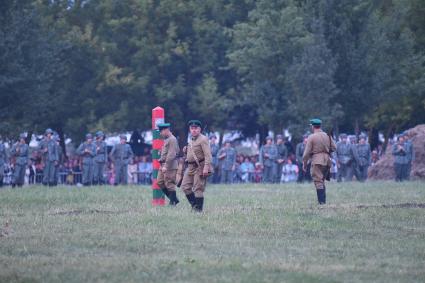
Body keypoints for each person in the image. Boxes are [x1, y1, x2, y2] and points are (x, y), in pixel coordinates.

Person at [181, 120, 212, 212]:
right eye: (192, 128)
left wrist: (206, 168)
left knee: (198, 188)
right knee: (185, 186)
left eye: (196, 128)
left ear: (200, 129)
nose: (194, 130)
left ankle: (198, 210)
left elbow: (208, 155)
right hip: (190, 167)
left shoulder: (203, 139)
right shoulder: (191, 139)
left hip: (200, 167)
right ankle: (194, 205)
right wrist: (186, 151)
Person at [302, 119, 336, 205]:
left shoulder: (312, 137)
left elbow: (306, 154)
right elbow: (334, 148)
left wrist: (305, 164)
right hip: (327, 160)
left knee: (318, 181)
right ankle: (323, 203)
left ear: (313, 126)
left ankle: (321, 203)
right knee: (322, 180)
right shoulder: (327, 135)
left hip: (317, 160)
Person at [157, 123, 180, 205]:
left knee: (169, 183)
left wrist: (166, 166)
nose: (160, 133)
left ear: (166, 130)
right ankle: (174, 199)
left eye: (161, 131)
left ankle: (173, 202)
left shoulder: (172, 139)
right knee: (159, 182)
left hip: (169, 165)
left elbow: (172, 154)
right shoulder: (167, 139)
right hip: (163, 165)